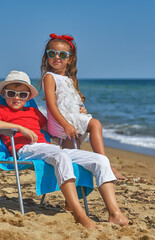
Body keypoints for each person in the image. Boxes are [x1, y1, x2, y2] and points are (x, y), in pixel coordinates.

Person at [0, 70, 129, 229]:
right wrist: (19, 128)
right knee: (60, 156)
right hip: (24, 149)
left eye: (22, 95)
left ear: (28, 97)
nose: (16, 98)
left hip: (47, 148)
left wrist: (77, 114)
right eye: (11, 93)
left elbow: (53, 130)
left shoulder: (34, 112)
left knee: (101, 160)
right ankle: (79, 214)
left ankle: (115, 214)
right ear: (4, 94)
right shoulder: (2, 110)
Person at [39, 33, 126, 180]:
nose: (57, 57)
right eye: (52, 53)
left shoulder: (69, 79)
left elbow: (69, 101)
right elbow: (51, 105)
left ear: (70, 59)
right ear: (47, 56)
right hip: (60, 123)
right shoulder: (49, 77)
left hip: (70, 119)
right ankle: (105, 164)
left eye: (62, 54)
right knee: (94, 125)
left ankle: (73, 198)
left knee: (74, 158)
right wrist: (66, 125)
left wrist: (80, 110)